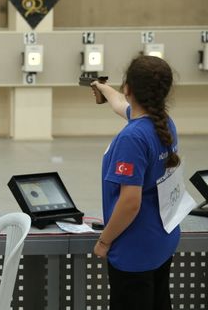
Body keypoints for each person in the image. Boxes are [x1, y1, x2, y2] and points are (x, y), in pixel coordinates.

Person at [91, 55, 180, 310]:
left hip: (134, 248)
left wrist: (104, 241)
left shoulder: (132, 138)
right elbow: (120, 104)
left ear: (128, 88)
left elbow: (130, 202)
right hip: (160, 240)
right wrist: (103, 87)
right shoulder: (163, 123)